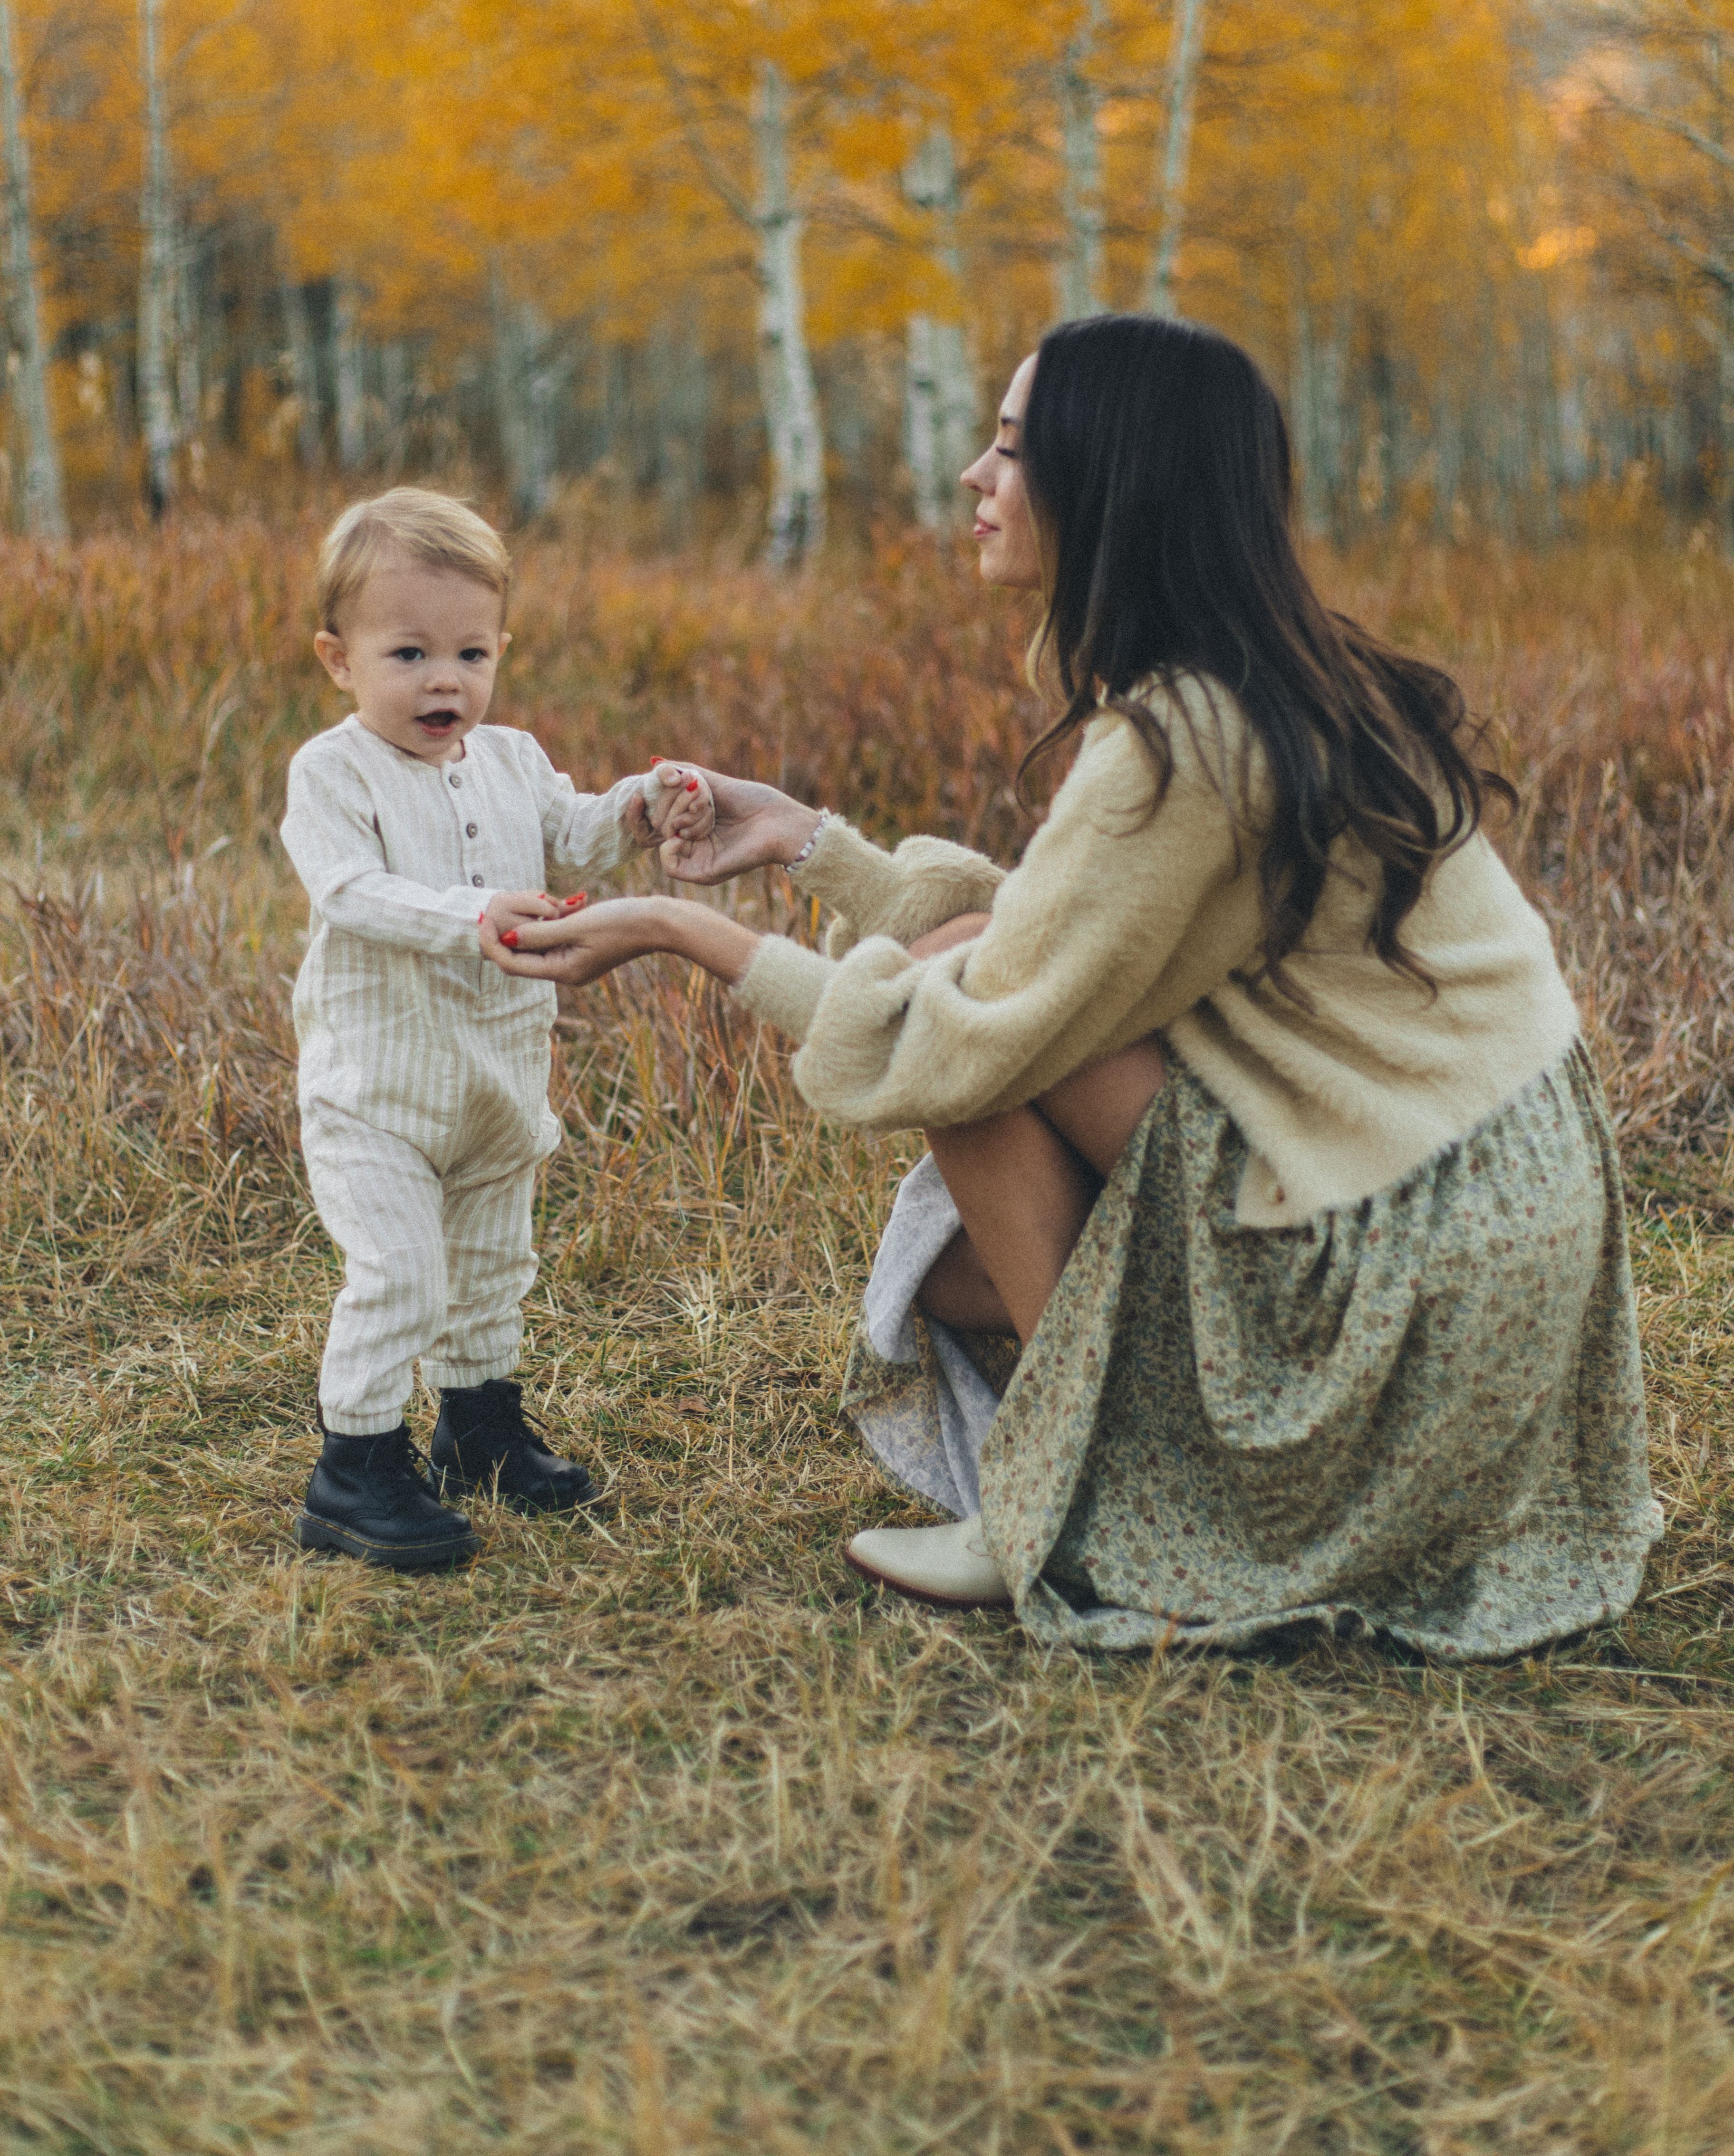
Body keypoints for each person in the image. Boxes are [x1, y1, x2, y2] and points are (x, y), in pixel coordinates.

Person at [483, 316, 1662, 1660]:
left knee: (952, 1008)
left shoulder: (1179, 739)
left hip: (1402, 1278)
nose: (976, 482)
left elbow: (966, 1036)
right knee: (951, 1237)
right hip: (1494, 1229)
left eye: (1006, 449)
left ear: (1110, 483)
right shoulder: (1292, 680)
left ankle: (1068, 1504)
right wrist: (815, 847)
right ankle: (1094, 1454)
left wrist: (677, 932)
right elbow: (1076, 934)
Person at [281, 488, 714, 1571]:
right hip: (378, 1093)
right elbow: (348, 890)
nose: (446, 680)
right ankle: (355, 1472)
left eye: (472, 653)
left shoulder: (511, 758)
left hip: (496, 1084)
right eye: (410, 653)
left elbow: (570, 839)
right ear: (339, 660)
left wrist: (641, 805)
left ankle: (477, 1429)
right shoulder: (333, 773)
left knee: (489, 1267)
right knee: (401, 1274)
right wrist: (469, 919)